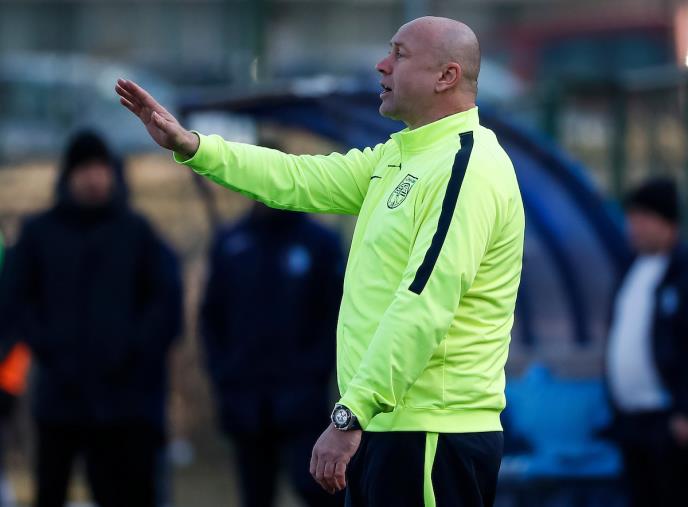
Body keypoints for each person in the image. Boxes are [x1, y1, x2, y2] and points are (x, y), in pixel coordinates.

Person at [116, 15, 524, 507]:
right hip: (388, 427)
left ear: (446, 76)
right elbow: (297, 178)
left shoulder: (466, 168)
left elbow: (424, 304)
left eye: (399, 54)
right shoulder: (402, 156)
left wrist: (350, 414)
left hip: (430, 433)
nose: (382, 65)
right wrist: (195, 147)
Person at [0, 130, 183, 507]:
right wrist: (48, 346)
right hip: (58, 395)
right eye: (85, 169)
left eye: (100, 169)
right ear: (69, 175)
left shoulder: (136, 233)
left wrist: (134, 350)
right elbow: (16, 301)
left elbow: (166, 303)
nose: (94, 178)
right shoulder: (39, 234)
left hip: (123, 401)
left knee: (120, 492)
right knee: (51, 488)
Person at [200, 201, 344, 507]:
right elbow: (212, 317)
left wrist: (314, 372)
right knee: (255, 493)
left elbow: (335, 316)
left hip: (303, 397)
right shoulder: (231, 242)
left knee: (317, 487)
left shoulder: (320, 243)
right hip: (245, 398)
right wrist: (224, 376)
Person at [605, 178, 688, 506]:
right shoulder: (631, 269)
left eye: (643, 218)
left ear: (667, 222)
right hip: (630, 419)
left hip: (668, 421)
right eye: (631, 217)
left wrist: (684, 409)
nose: (633, 226)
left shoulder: (681, 273)